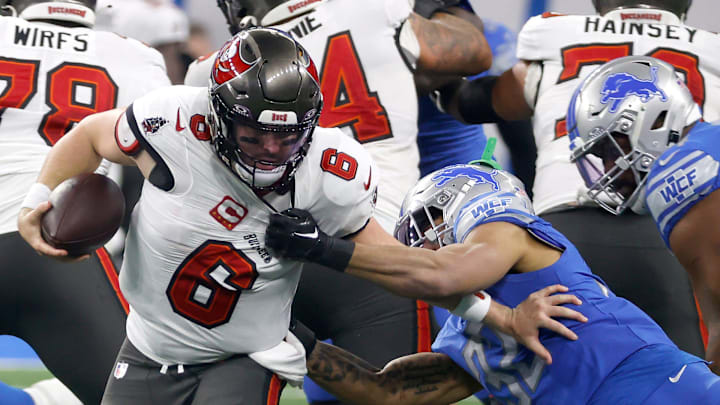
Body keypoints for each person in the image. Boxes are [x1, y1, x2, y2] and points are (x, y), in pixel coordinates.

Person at [16, 27, 534, 404]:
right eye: (255, 133)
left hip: (247, 356)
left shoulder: (332, 169)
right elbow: (87, 136)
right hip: (147, 345)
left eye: (287, 135)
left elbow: (401, 267)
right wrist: (37, 199)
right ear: (216, 114)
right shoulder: (170, 120)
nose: (270, 149)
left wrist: (500, 317)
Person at [185, 2, 493, 404]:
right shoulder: (374, 10)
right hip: (373, 253)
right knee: (395, 391)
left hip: (261, 261)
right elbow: (474, 52)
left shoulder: (207, 70)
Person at [265, 161, 720, 404]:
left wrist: (321, 248)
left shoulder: (508, 229)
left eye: (428, 222)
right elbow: (388, 391)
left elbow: (445, 273)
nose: (420, 243)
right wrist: (287, 334)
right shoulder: (465, 327)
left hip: (659, 387)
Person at [434, 0, 718, 356]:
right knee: (688, 380)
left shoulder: (557, 38)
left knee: (547, 374)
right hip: (675, 235)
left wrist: (435, 77)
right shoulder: (712, 50)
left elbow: (472, 102)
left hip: (559, 232)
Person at [0, 0, 170, 403]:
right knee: (135, 399)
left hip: (49, 243)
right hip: (59, 252)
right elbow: (176, 166)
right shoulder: (136, 56)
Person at [566, 55, 720, 374]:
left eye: (611, 150)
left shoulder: (682, 172)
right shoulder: (709, 143)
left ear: (653, 122)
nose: (609, 168)